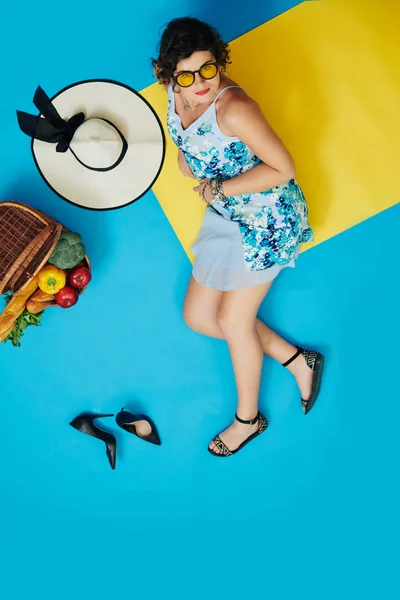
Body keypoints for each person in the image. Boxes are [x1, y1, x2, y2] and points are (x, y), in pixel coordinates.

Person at [152, 17, 324, 457]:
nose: (201, 83)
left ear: (218, 61)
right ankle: (293, 358)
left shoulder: (234, 108)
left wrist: (217, 187)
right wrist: (190, 162)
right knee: (197, 317)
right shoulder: (174, 92)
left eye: (209, 69)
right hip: (228, 213)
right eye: (186, 75)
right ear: (167, 75)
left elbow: (283, 169)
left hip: (269, 220)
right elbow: (189, 137)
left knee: (232, 321)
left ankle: (248, 420)